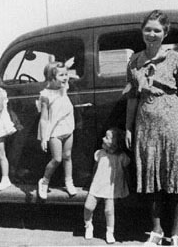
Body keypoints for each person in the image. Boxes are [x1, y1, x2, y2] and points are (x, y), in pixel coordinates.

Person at [124, 10, 178, 246]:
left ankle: (177, 233)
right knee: (151, 178)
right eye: (148, 29)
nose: (152, 34)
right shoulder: (135, 60)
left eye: (157, 30)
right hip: (146, 125)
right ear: (142, 31)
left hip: (173, 122)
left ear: (165, 33)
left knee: (176, 177)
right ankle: (156, 231)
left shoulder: (176, 59)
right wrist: (128, 128)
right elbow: (132, 98)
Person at [37, 62, 77, 199]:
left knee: (68, 156)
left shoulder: (64, 87)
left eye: (66, 74)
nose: (66, 78)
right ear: (51, 77)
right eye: (61, 75)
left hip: (67, 127)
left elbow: (72, 75)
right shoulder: (46, 95)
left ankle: (69, 182)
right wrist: (43, 138)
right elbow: (43, 118)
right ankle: (44, 181)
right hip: (54, 131)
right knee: (57, 159)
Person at [84, 128, 130, 244]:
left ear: (115, 144)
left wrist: (125, 185)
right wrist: (90, 182)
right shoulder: (100, 154)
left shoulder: (121, 157)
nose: (103, 139)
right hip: (98, 184)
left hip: (111, 187)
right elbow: (95, 169)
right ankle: (88, 225)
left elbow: (126, 171)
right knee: (88, 206)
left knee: (109, 210)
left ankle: (110, 232)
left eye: (107, 138)